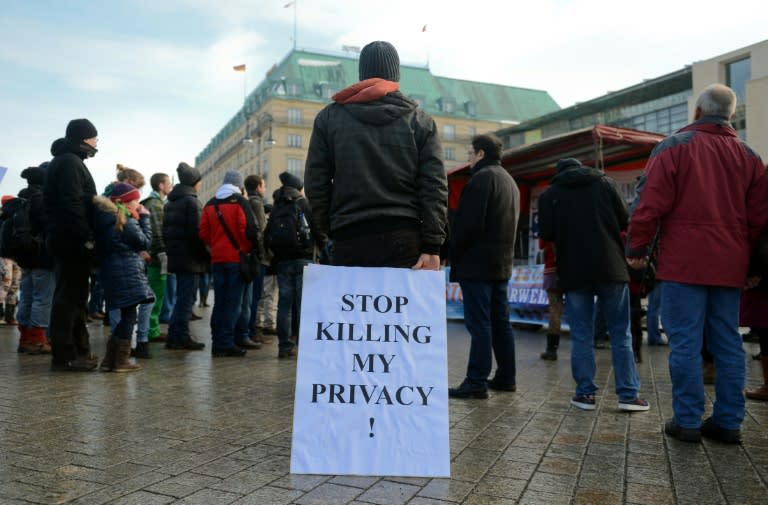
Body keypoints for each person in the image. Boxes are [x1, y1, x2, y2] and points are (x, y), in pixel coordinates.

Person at [627, 84, 768, 443]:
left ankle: (687, 421)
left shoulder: (673, 147)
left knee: (686, 343)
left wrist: (637, 247)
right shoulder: (750, 157)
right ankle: (728, 422)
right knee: (728, 343)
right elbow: (760, 220)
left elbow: (649, 203)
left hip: (682, 264)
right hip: (730, 265)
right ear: (731, 115)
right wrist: (753, 267)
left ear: (697, 112)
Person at [305, 40, 447, 269]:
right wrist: (432, 245)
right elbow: (434, 187)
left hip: (349, 235)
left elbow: (316, 183)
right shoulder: (420, 121)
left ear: (363, 74)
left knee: (351, 304)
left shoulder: (329, 118)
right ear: (395, 76)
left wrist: (327, 231)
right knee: (399, 305)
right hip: (404, 237)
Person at [539, 157, 649, 412]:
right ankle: (629, 396)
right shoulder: (606, 184)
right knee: (621, 333)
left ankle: (585, 395)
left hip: (574, 272)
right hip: (611, 267)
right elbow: (625, 220)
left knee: (581, 335)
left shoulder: (550, 195)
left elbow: (546, 234)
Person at [447, 134, 519, 399]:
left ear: (480, 154)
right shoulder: (508, 180)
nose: (468, 157)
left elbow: (468, 225)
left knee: (479, 325)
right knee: (500, 322)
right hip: (501, 264)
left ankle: (476, 380)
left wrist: (453, 252)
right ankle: (506, 376)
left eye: (470, 153)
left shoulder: (480, 179)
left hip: (477, 265)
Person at [44, 119, 100, 371]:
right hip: (71, 240)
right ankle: (65, 355)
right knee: (69, 298)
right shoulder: (70, 163)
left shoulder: (68, 161)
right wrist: (86, 238)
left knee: (75, 297)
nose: (97, 144)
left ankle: (77, 351)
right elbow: (72, 205)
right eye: (94, 138)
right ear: (83, 139)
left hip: (66, 238)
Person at [93, 183, 154, 372]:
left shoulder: (103, 219)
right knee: (129, 315)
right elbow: (144, 242)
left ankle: (110, 360)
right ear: (126, 202)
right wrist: (144, 218)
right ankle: (120, 361)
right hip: (127, 271)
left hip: (111, 270)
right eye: (135, 200)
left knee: (126, 314)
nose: (138, 203)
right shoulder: (124, 219)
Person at [199, 170, 261, 356]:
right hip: (236, 258)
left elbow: (203, 233)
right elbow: (247, 230)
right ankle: (225, 343)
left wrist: (216, 245)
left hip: (217, 259)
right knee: (233, 303)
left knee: (220, 302)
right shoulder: (240, 202)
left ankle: (217, 340)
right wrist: (246, 248)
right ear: (239, 185)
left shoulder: (210, 204)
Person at [266, 172, 315, 359]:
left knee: (284, 304)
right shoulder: (301, 202)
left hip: (282, 260)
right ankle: (304, 345)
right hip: (304, 258)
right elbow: (316, 226)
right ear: (298, 187)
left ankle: (284, 346)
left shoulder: (278, 205)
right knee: (304, 304)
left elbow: (267, 232)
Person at [163, 162, 208, 351]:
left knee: (181, 298)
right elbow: (199, 233)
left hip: (176, 256)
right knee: (186, 300)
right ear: (194, 182)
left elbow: (165, 231)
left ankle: (174, 335)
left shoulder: (171, 201)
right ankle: (180, 337)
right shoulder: (192, 201)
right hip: (191, 259)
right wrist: (205, 256)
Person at [14, 165, 54, 354]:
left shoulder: (21, 197)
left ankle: (24, 338)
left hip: (25, 256)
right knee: (42, 298)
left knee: (27, 297)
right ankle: (38, 340)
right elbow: (47, 225)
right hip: (41, 256)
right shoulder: (41, 199)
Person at [140, 172, 172, 347]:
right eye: (168, 183)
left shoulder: (152, 203)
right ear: (160, 185)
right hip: (157, 256)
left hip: (153, 255)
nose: (170, 187)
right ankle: (151, 331)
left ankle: (152, 329)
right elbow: (158, 232)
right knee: (156, 294)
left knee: (156, 293)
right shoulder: (156, 204)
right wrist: (162, 253)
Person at [244, 174, 268, 344]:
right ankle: (251, 330)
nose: (265, 188)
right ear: (258, 186)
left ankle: (249, 329)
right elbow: (261, 231)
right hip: (257, 257)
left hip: (247, 255)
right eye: (263, 185)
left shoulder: (245, 202)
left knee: (249, 296)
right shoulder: (257, 203)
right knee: (255, 296)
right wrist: (264, 254)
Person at [539, 239, 562, 360]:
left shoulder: (548, 222)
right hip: (571, 271)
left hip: (552, 269)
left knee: (554, 309)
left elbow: (542, 245)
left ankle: (551, 349)